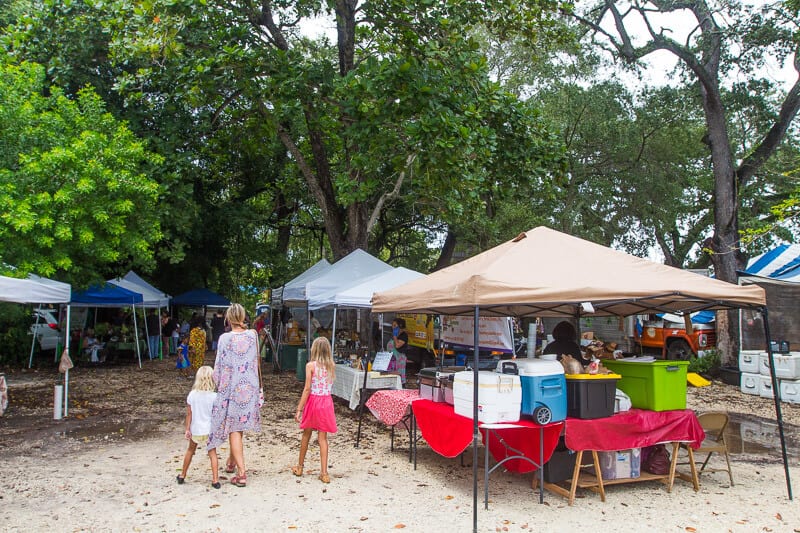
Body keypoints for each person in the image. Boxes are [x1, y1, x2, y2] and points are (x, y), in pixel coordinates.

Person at [207, 303, 262, 488]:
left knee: (234, 428)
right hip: (250, 386)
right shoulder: (253, 335)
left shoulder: (224, 339)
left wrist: (216, 384)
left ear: (228, 319)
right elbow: (256, 360)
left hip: (232, 387)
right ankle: (232, 461)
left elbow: (219, 366)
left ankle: (242, 472)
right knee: (238, 427)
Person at [292, 336, 337, 484]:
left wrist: (299, 408)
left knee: (306, 434)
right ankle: (324, 473)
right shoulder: (332, 365)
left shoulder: (310, 366)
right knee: (322, 438)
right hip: (326, 402)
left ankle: (300, 466)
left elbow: (307, 389)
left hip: (313, 401)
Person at [176, 366, 220, 489]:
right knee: (212, 453)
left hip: (196, 429)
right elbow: (216, 415)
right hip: (209, 429)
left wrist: (187, 429)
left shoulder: (192, 395)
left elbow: (189, 414)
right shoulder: (214, 396)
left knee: (190, 450)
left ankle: (182, 475)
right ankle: (215, 479)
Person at [388, 318, 409, 384]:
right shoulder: (396, 335)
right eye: (392, 325)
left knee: (398, 377)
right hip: (392, 359)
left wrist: (394, 336)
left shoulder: (404, 335)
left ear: (400, 326)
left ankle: (402, 386)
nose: (392, 327)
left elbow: (397, 345)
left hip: (399, 359)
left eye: (395, 325)